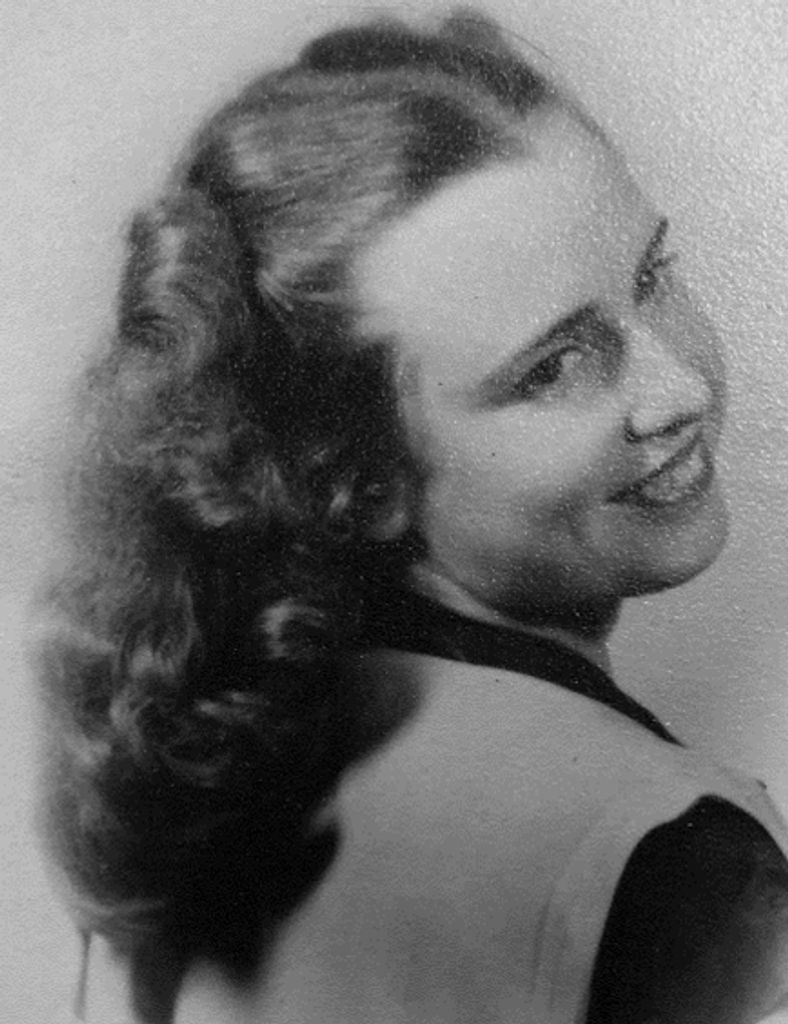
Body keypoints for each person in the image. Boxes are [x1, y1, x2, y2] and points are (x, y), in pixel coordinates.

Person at [38, 10, 788, 1024]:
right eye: (552, 367)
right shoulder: (670, 856)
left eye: (650, 279)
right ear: (362, 475)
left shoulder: (194, 760)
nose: (676, 390)